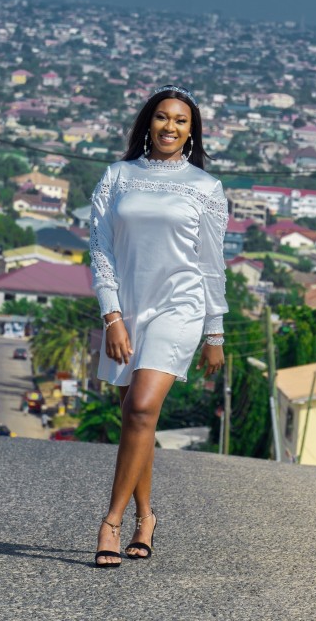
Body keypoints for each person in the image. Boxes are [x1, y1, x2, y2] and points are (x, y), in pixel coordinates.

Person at [90, 85, 228, 568]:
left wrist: (215, 333)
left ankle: (110, 521)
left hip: (180, 307)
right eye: (163, 117)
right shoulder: (117, 177)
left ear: (192, 131)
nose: (171, 127)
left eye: (181, 121)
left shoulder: (206, 188)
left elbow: (212, 266)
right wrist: (112, 316)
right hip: (126, 310)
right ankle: (146, 517)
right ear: (148, 122)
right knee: (133, 417)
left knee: (144, 408)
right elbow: (101, 249)